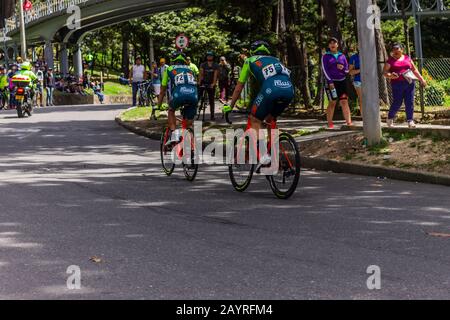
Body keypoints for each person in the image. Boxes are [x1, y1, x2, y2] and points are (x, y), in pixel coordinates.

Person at [226, 40, 294, 138]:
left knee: (255, 119)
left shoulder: (249, 60)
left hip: (270, 90)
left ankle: (257, 152)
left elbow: (239, 87)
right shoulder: (276, 59)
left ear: (252, 51)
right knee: (271, 119)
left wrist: (231, 106)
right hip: (289, 90)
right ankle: (274, 150)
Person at [157, 51, 198, 145]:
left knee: (171, 110)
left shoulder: (169, 69)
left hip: (179, 95)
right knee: (188, 123)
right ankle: (191, 144)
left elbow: (162, 90)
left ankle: (174, 134)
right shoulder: (191, 69)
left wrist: (159, 105)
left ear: (173, 60)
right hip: (193, 96)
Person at [383, 43, 427, 128]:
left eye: (397, 49)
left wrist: (422, 79)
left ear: (402, 50)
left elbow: (414, 70)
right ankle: (390, 118)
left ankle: (410, 121)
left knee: (409, 102)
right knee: (397, 102)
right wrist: (390, 76)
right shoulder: (390, 61)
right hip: (397, 84)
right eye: (393, 49)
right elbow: (384, 72)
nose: (395, 51)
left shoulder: (407, 58)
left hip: (409, 83)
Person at [322, 37, 352, 129]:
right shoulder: (325, 56)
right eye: (330, 43)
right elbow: (325, 70)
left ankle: (349, 122)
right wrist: (330, 82)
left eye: (334, 43)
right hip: (331, 82)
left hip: (342, 82)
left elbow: (347, 71)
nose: (332, 44)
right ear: (328, 46)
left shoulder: (342, 56)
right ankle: (330, 123)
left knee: (344, 101)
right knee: (333, 102)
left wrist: (342, 68)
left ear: (337, 45)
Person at [199, 51, 219, 121]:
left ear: (213, 57)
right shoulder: (203, 64)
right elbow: (201, 74)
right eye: (208, 56)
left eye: (211, 56)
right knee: (199, 97)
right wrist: (199, 83)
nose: (209, 57)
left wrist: (213, 84)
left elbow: (215, 75)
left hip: (211, 83)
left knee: (211, 100)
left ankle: (212, 115)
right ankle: (198, 113)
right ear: (206, 57)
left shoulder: (215, 65)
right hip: (204, 82)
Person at [349, 51, 363, 116]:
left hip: (369, 81)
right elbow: (350, 72)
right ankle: (363, 116)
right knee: (362, 98)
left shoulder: (369, 55)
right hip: (358, 81)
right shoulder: (353, 57)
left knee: (370, 98)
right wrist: (361, 70)